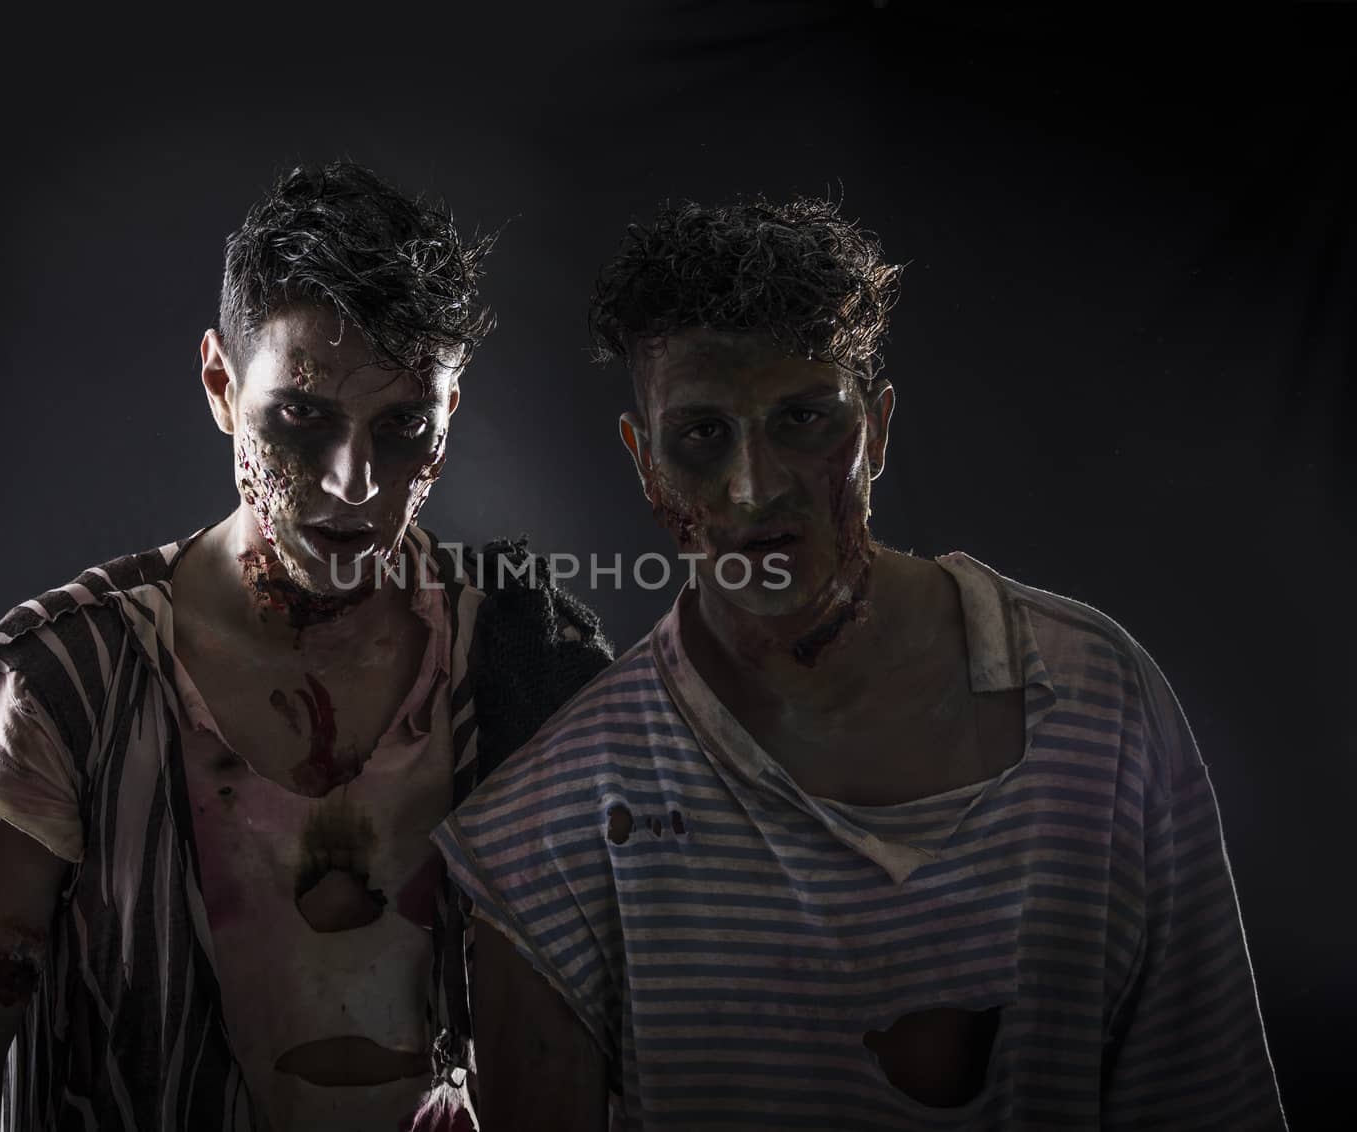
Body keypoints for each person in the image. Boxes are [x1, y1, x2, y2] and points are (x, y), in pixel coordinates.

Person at [433, 196, 1285, 1130]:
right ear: (646, 463)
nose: (755, 488)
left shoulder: (1095, 700)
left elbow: (1209, 1098)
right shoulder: (557, 824)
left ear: (875, 430)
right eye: (703, 435)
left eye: (802, 419)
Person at [0, 161, 612, 1132]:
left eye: (403, 427)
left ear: (447, 422)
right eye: (303, 418)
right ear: (222, 384)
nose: (355, 482)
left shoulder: (530, 654)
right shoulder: (57, 688)